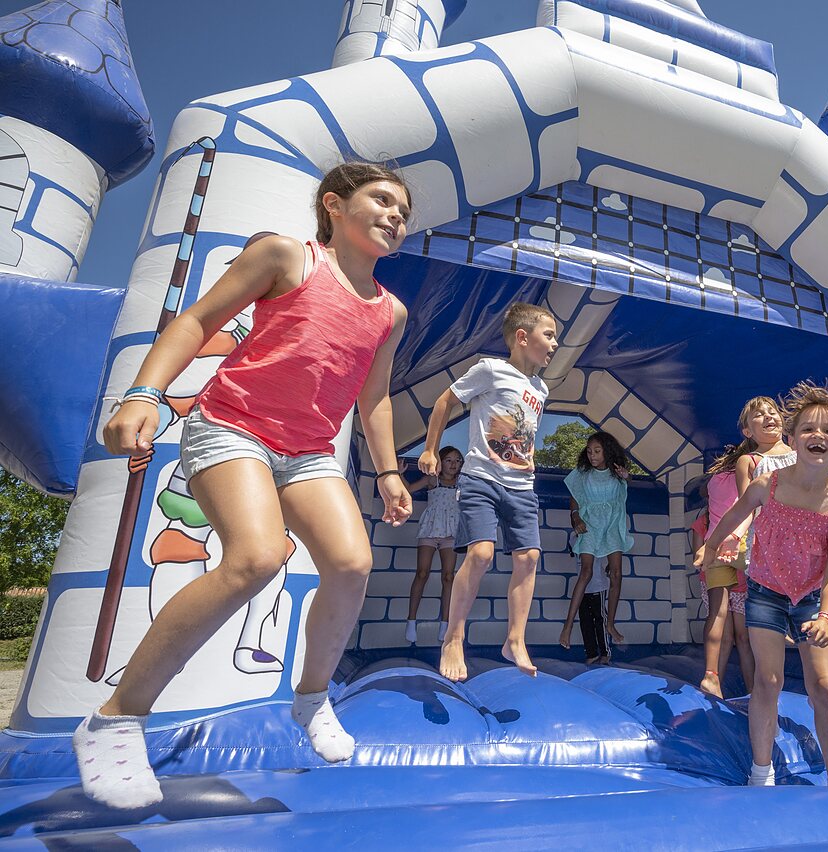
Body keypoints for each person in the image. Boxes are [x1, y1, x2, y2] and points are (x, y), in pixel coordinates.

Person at [74, 162, 414, 809]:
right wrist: (145, 393)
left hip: (309, 450)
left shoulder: (389, 312)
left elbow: (375, 399)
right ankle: (116, 719)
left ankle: (311, 699)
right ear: (335, 206)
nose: (396, 215)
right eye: (382, 200)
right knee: (257, 557)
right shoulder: (287, 256)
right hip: (233, 427)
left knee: (350, 564)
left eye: (404, 210)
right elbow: (198, 320)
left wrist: (391, 470)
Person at [699, 382, 828, 787]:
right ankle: (761, 772)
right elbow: (732, 517)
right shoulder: (769, 484)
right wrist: (710, 550)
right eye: (809, 429)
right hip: (765, 590)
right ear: (792, 440)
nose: (819, 437)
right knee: (769, 678)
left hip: (812, 597)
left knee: (824, 685)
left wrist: (827, 617)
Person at [419, 303, 558, 682]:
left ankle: (514, 639)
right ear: (522, 338)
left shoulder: (540, 388)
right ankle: (454, 636)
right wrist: (430, 449)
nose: (555, 344)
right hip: (481, 478)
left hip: (522, 485)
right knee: (481, 553)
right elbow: (445, 401)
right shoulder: (490, 369)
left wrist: (526, 459)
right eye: (549, 335)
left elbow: (522, 432)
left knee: (528, 557)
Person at [696, 397, 792, 697]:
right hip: (751, 546)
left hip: (750, 545)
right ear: (747, 433)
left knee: (721, 618)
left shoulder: (797, 455)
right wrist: (730, 539)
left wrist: (712, 544)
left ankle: (714, 675)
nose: (768, 417)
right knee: (741, 630)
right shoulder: (748, 462)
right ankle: (742, 684)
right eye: (759, 416)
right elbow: (746, 507)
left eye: (772, 412)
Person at [559, 431, 634, 660]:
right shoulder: (583, 473)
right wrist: (575, 516)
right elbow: (574, 495)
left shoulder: (616, 473)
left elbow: (626, 485)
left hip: (611, 524)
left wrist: (626, 476)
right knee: (586, 572)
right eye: (589, 451)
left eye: (597, 451)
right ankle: (568, 626)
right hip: (590, 523)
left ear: (607, 451)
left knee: (617, 574)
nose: (592, 455)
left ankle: (610, 624)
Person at [690, 508, 753, 696]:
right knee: (725, 638)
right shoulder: (703, 522)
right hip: (717, 582)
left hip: (740, 583)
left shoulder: (742, 520)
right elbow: (699, 559)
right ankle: (714, 687)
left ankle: (752, 691)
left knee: (743, 638)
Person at [407, 446, 463, 644]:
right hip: (430, 530)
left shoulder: (462, 483)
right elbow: (408, 489)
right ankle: (411, 621)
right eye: (448, 460)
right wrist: (397, 474)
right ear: (440, 462)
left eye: (457, 460)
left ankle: (444, 624)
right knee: (422, 573)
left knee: (449, 577)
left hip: (450, 533)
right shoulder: (433, 479)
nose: (453, 464)